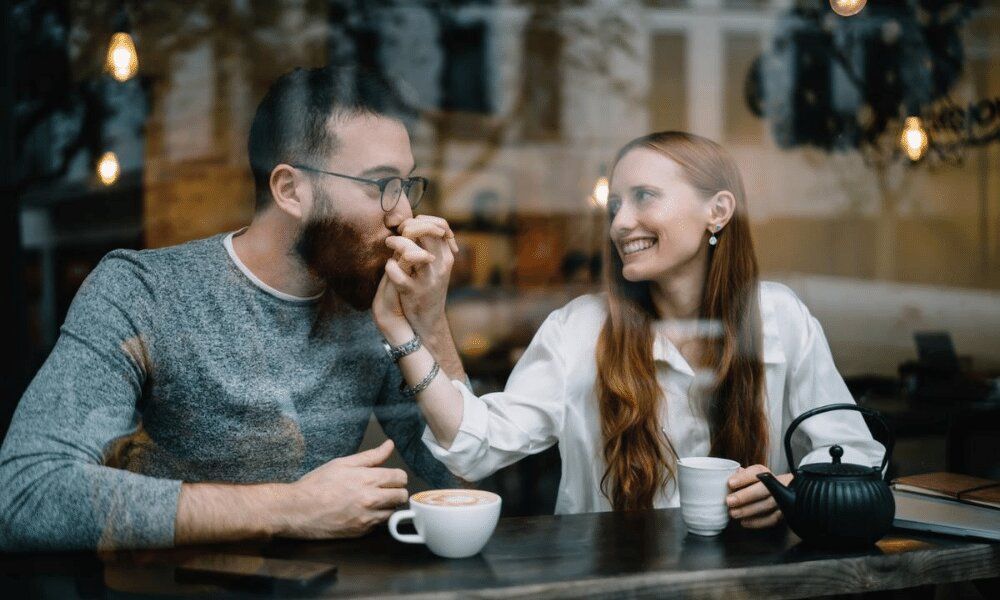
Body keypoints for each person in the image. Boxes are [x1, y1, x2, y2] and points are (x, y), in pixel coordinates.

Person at [0, 66, 466, 551]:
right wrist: (292, 508)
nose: (404, 215)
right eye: (380, 185)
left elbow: (465, 485)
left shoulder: (373, 305)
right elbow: (27, 493)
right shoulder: (144, 293)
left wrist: (429, 324)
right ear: (289, 190)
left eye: (407, 185)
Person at [372, 131, 885, 526]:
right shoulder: (578, 329)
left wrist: (792, 489)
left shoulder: (779, 318)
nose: (619, 223)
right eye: (615, 205)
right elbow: (474, 445)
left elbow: (858, 456)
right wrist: (401, 329)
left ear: (718, 211)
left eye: (644, 197)